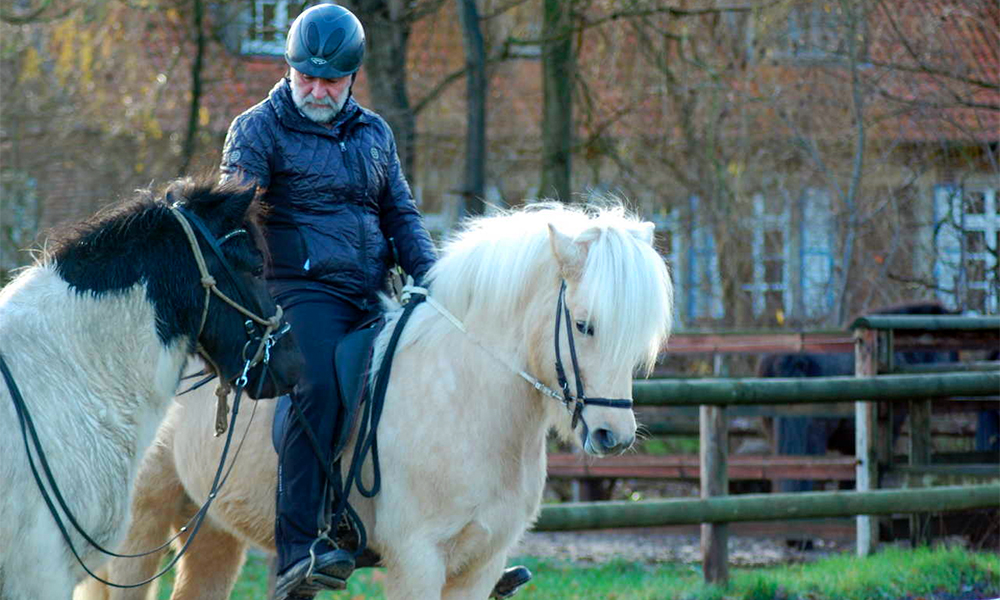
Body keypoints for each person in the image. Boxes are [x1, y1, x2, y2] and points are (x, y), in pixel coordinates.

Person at [220, 4, 529, 599]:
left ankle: (469, 552)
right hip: (298, 292)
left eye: (329, 79)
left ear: (352, 77)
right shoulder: (258, 129)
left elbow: (401, 215)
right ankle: (297, 550)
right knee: (318, 384)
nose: (314, 89)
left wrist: (439, 288)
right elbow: (237, 222)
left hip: (371, 292)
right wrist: (254, 296)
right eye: (304, 75)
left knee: (452, 375)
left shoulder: (373, 133)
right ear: (289, 69)